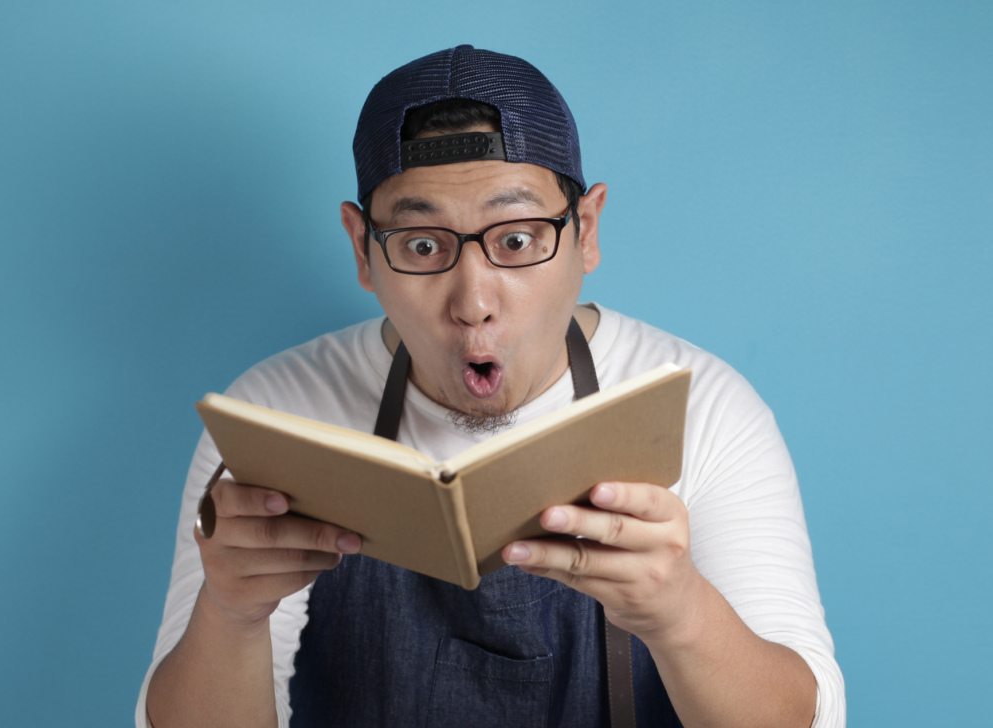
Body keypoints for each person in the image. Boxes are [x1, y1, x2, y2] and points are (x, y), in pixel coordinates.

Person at [138, 45, 844, 728]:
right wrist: (229, 613)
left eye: (515, 239)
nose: (473, 300)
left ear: (586, 231)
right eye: (422, 246)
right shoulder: (277, 414)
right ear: (362, 250)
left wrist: (681, 612)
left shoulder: (704, 408)